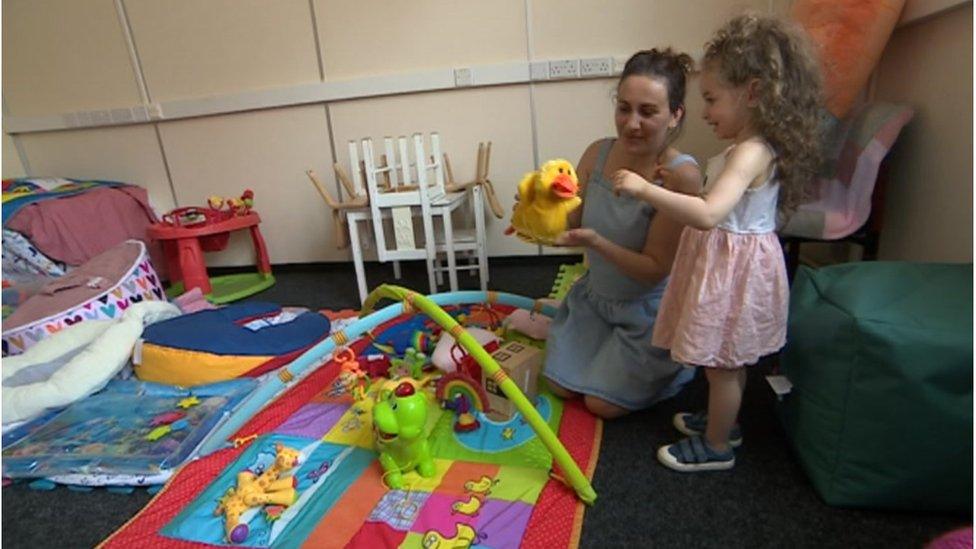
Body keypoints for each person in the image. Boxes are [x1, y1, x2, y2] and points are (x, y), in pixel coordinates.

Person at [611, 14, 823, 471]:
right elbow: (715, 204)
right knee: (723, 359)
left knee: (723, 362)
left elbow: (709, 216)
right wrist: (682, 190)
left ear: (752, 92)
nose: (705, 112)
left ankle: (717, 446)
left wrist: (647, 189)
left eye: (711, 99)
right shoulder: (748, 148)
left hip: (734, 274)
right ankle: (722, 422)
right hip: (729, 266)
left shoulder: (750, 152)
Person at [542, 48, 702, 419]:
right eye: (624, 108)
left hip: (647, 311)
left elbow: (654, 268)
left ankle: (678, 365)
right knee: (560, 384)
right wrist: (537, 206)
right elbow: (569, 220)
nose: (631, 123)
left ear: (675, 115)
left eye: (648, 112)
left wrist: (596, 241)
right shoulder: (597, 153)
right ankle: (602, 346)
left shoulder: (681, 175)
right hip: (596, 297)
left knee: (600, 404)